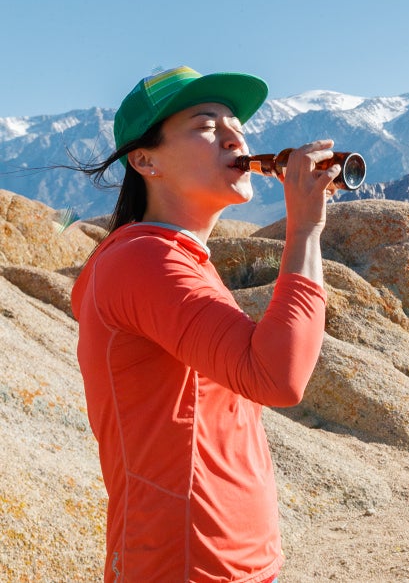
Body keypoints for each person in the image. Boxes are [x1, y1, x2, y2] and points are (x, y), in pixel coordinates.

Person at [72, 66, 339, 582]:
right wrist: (305, 227)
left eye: (236, 122)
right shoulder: (143, 262)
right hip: (183, 562)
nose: (234, 134)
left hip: (234, 559)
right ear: (145, 159)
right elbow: (278, 376)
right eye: (205, 123)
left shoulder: (181, 258)